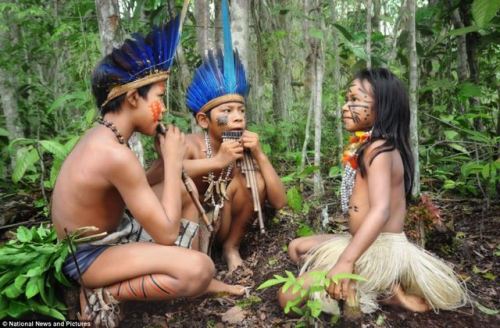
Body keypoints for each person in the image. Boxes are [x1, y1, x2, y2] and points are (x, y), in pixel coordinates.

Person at [51, 17, 241, 327]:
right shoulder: (114, 154)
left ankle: (185, 280)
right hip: (89, 256)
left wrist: (166, 164)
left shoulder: (104, 136)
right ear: (133, 98)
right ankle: (106, 293)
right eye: (159, 97)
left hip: (110, 237)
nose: (163, 109)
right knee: (198, 269)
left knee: (180, 197)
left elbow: (137, 184)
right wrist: (173, 160)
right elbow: (165, 235)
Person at [278, 68, 467, 315]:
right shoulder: (374, 146)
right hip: (363, 242)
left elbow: (380, 210)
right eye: (347, 99)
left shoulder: (378, 149)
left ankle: (380, 288)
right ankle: (386, 289)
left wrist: (346, 260)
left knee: (287, 297)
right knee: (297, 248)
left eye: (355, 100)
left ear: (382, 108)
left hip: (380, 249)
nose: (346, 106)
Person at [152, 0, 286, 272]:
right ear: (204, 120)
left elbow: (280, 201)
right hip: (187, 227)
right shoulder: (189, 143)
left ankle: (231, 247)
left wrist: (259, 154)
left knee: (254, 182)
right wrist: (218, 161)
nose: (237, 116)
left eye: (241, 110)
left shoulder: (244, 146)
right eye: (227, 111)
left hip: (222, 225)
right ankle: (192, 262)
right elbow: (167, 172)